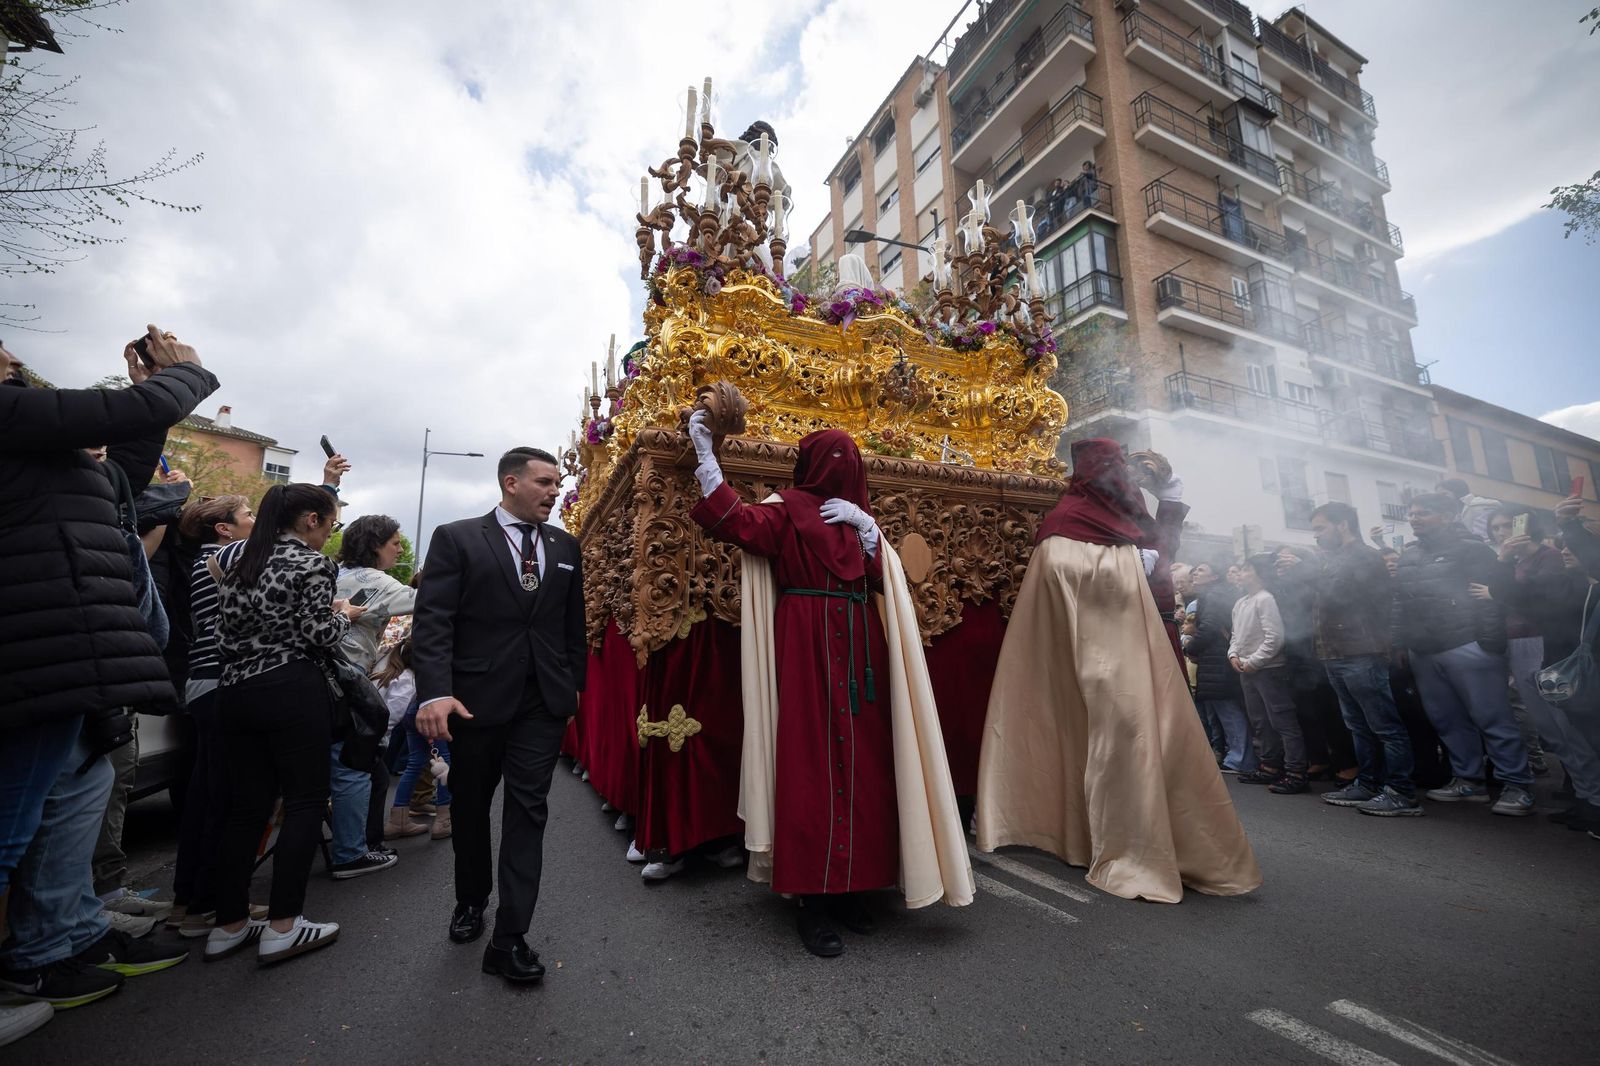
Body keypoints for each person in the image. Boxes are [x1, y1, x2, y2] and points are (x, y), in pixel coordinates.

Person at [686, 415, 971, 954]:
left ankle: (854, 886)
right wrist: (705, 454)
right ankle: (811, 900)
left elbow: (881, 580)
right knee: (810, 766)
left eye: (849, 460)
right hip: (806, 650)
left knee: (866, 766)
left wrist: (869, 531)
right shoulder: (785, 512)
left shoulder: (860, 523)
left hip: (861, 652)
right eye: (831, 459)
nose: (842, 469)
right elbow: (733, 521)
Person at [0, 329, 211, 1019]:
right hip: (36, 653)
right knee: (9, 833)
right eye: (1, 355)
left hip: (71, 660)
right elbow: (113, 423)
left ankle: (60, 945)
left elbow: (121, 468)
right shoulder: (12, 420)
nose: (12, 363)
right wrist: (184, 377)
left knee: (62, 811)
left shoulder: (39, 453)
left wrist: (143, 404)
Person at [977, 438, 1259, 903]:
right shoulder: (1066, 521)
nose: (1124, 481)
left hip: (1150, 641)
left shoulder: (1126, 518)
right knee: (1120, 738)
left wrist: (1170, 499)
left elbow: (1161, 553)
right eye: (1115, 471)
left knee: (1163, 740)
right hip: (1099, 658)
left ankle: (1179, 844)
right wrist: (1129, 564)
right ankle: (1118, 843)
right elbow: (1073, 578)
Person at [414, 448, 587, 985]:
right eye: (544, 482)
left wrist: (574, 688)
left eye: (558, 482)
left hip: (541, 705)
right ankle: (471, 898)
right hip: (476, 701)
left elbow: (570, 625)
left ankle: (510, 936)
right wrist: (434, 693)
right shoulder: (458, 537)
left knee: (528, 810)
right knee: (470, 806)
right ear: (511, 483)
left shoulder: (564, 546)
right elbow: (434, 620)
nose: (554, 491)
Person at [206, 483, 361, 965]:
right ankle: (284, 924)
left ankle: (228, 925)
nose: (330, 532)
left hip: (234, 691)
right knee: (305, 801)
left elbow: (220, 632)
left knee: (245, 809)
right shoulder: (313, 564)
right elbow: (317, 633)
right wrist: (344, 617)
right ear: (311, 520)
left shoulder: (237, 562)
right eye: (330, 522)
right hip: (290, 688)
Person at [1394, 492, 1533, 815]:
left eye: (1423, 512)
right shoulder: (1409, 554)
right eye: (1412, 512)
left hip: (1468, 645)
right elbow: (1400, 601)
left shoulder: (1473, 549)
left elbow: (1490, 598)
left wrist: (1488, 644)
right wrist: (1400, 642)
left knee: (1493, 717)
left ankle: (1517, 785)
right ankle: (1468, 781)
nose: (1414, 518)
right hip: (1423, 650)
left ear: (1448, 516)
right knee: (1447, 720)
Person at [1277, 504, 1420, 816]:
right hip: (1337, 653)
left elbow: (1337, 594)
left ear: (1342, 525)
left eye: (1320, 528)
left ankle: (1401, 792)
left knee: (1384, 725)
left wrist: (1305, 567)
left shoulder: (1363, 556)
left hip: (1362, 651)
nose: (1316, 535)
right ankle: (1368, 783)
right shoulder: (1333, 560)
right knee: (1357, 725)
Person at [167, 493, 255, 938]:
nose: (254, 520)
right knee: (223, 798)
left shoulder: (202, 561)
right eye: (246, 515)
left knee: (204, 796)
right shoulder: (226, 557)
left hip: (201, 683)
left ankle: (189, 901)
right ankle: (206, 904)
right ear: (224, 528)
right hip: (221, 682)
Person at [1482, 513, 1600, 831]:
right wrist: (1505, 562)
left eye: (1506, 525)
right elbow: (1513, 594)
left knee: (1574, 732)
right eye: (1495, 528)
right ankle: (1587, 799)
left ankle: (1593, 801)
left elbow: (1524, 598)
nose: (1565, 552)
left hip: (1558, 657)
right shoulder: (1560, 576)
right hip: (1542, 651)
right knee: (1557, 733)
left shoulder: (1554, 565)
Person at [332, 514, 420, 865]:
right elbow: (423, 599)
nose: (400, 549)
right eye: (395, 543)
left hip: (319, 674)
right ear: (375, 545)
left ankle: (359, 845)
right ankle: (351, 854)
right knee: (355, 766)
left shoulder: (334, 574)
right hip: (346, 677)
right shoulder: (377, 581)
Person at [1230, 554, 1308, 794]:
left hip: (1268, 670)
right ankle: (1269, 765)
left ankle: (1296, 771)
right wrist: (1233, 655)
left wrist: (1254, 660)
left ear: (1260, 573)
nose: (1241, 574)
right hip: (1247, 668)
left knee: (1281, 720)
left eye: (1247, 570)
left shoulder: (1266, 599)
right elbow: (1235, 635)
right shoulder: (1242, 602)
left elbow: (1274, 637)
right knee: (1260, 721)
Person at [375, 637, 451, 841]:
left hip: (411, 716)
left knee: (416, 762)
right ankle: (444, 819)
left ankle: (398, 819)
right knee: (443, 762)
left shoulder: (393, 673)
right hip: (426, 709)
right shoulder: (411, 682)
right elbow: (390, 718)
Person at [1184, 562, 1255, 774]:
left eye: (1201, 570)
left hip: (1217, 659)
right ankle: (1238, 756)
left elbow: (1209, 626)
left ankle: (1240, 759)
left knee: (1228, 711)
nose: (1195, 572)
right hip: (1216, 658)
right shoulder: (1216, 593)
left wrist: (1191, 646)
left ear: (1214, 577)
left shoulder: (1213, 595)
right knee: (1224, 711)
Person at [1437, 477, 1500, 545]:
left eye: (1444, 494)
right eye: (1438, 496)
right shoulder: (1453, 513)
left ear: (1457, 491)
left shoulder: (1479, 505)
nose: (1441, 498)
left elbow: (1484, 537)